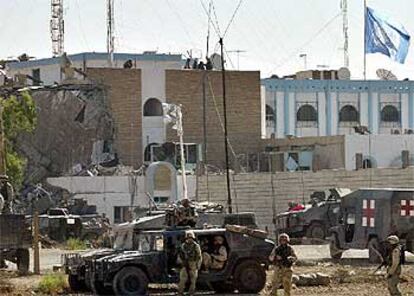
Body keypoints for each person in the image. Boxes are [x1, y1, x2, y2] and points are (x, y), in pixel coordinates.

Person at [178, 230, 202, 296]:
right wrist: (181, 263)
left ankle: (191, 293)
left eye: (191, 238)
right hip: (185, 263)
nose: (189, 239)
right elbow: (180, 255)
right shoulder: (183, 246)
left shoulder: (196, 246)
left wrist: (198, 265)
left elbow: (199, 256)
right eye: (188, 238)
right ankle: (180, 292)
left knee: (193, 279)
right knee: (183, 279)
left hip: (193, 263)